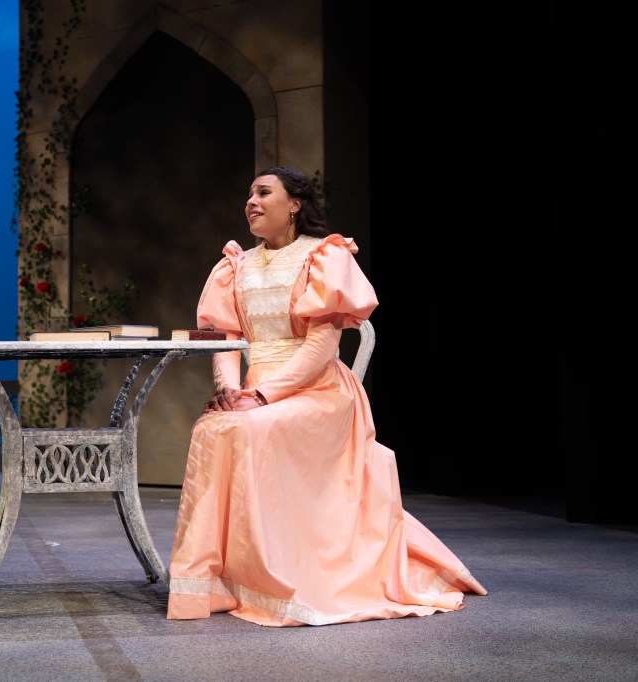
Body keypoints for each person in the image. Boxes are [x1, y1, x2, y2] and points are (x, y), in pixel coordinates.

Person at [166, 166, 486, 626]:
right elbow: (226, 340)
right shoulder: (235, 265)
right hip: (256, 391)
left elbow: (320, 348)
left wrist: (261, 397)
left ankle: (276, 573)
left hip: (319, 391)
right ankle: (215, 582)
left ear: (294, 204)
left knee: (246, 427)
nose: (251, 202)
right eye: (249, 194)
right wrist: (230, 391)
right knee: (213, 426)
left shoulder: (324, 256)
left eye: (263, 193)